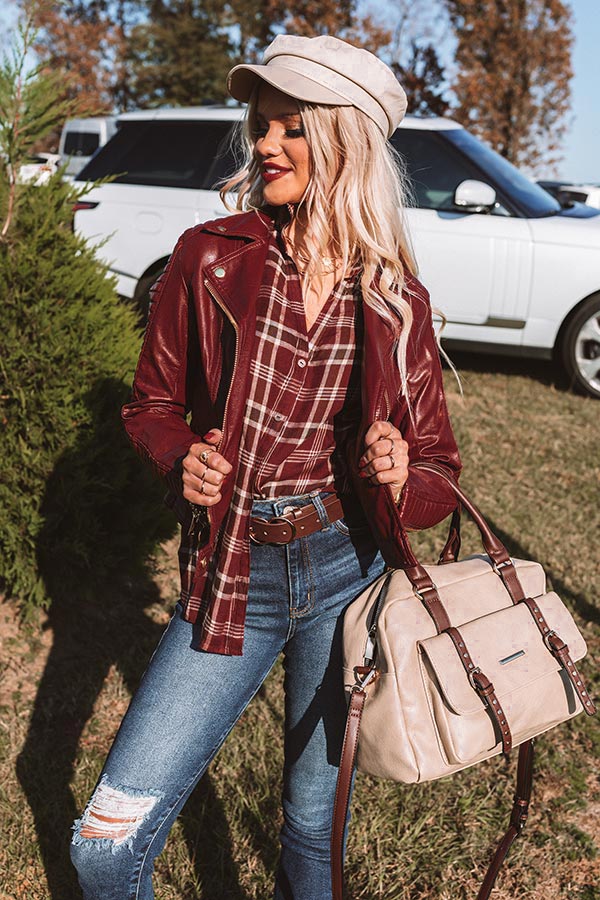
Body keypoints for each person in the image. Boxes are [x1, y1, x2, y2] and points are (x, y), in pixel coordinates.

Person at [70, 33, 461, 900]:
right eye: (261, 124)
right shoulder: (210, 255)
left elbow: (439, 469)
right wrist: (181, 457)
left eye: (293, 126)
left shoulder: (398, 295)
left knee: (314, 829)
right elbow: (150, 406)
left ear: (346, 141)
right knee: (104, 847)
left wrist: (401, 474)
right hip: (235, 568)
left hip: (349, 568)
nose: (267, 144)